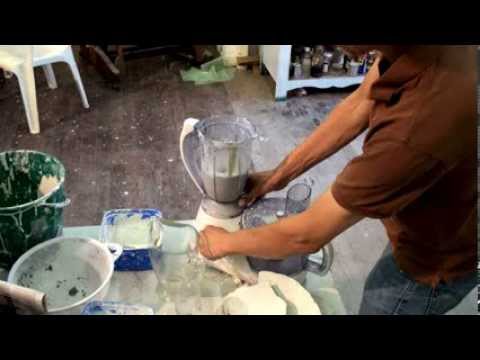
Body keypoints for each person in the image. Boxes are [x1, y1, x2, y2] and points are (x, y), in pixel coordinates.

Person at [197, 46, 477, 315]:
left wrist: (224, 243)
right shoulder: (408, 51)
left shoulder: (414, 129)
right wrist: (277, 177)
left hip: (443, 256)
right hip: (436, 211)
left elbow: (306, 235)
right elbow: (360, 103)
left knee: (384, 299)